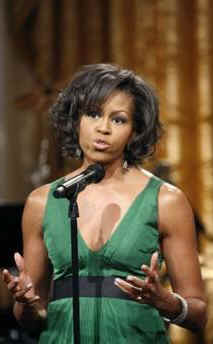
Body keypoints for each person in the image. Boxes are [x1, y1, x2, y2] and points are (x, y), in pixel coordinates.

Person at [2, 63, 207, 343]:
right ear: (76, 121)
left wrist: (167, 302)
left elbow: (198, 315)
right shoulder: (43, 201)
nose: (103, 128)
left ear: (135, 130)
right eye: (93, 114)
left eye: (119, 119)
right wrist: (24, 301)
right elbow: (33, 319)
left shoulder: (167, 200)